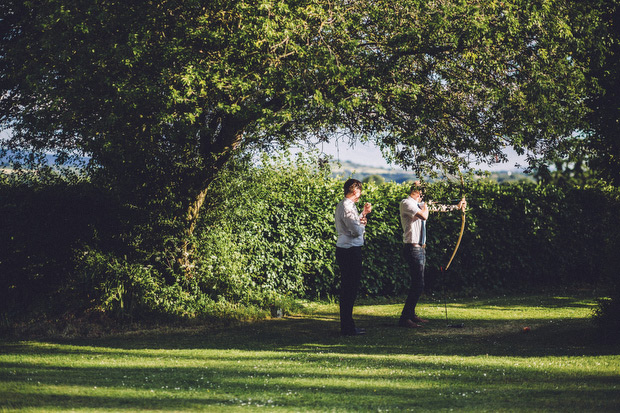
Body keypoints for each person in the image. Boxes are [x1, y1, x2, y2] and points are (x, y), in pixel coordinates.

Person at [399, 181, 466, 328]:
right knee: (418, 283)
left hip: (420, 247)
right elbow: (424, 215)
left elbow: (437, 207)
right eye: (422, 191)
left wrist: (457, 206)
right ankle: (405, 318)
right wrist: (426, 205)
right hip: (413, 247)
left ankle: (410, 315)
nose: (424, 193)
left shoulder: (419, 204)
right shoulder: (406, 203)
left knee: (418, 282)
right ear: (417, 191)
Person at [335, 178, 372, 336]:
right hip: (349, 250)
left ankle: (348, 325)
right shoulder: (346, 206)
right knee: (349, 288)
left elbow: (354, 225)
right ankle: (347, 327)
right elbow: (356, 231)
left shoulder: (348, 206)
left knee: (349, 288)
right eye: (359, 191)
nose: (360, 194)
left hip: (348, 248)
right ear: (354, 190)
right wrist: (362, 224)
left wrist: (363, 215)